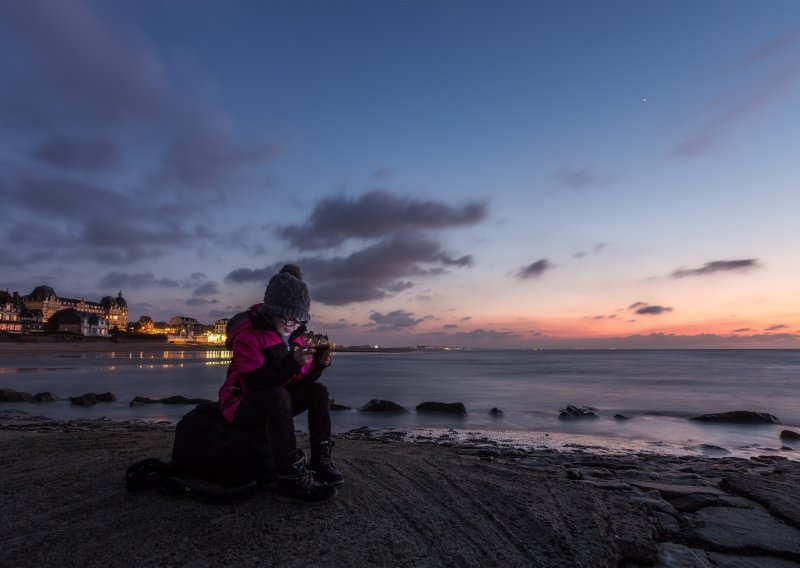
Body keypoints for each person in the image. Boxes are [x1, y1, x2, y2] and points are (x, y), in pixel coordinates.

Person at [218, 264, 342, 504]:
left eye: (299, 320)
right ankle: (289, 478)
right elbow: (255, 383)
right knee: (278, 396)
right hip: (239, 402)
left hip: (274, 398)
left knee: (318, 392)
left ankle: (320, 457)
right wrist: (292, 364)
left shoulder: (294, 334)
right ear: (272, 309)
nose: (293, 324)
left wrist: (316, 366)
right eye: (288, 317)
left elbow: (296, 379)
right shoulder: (248, 333)